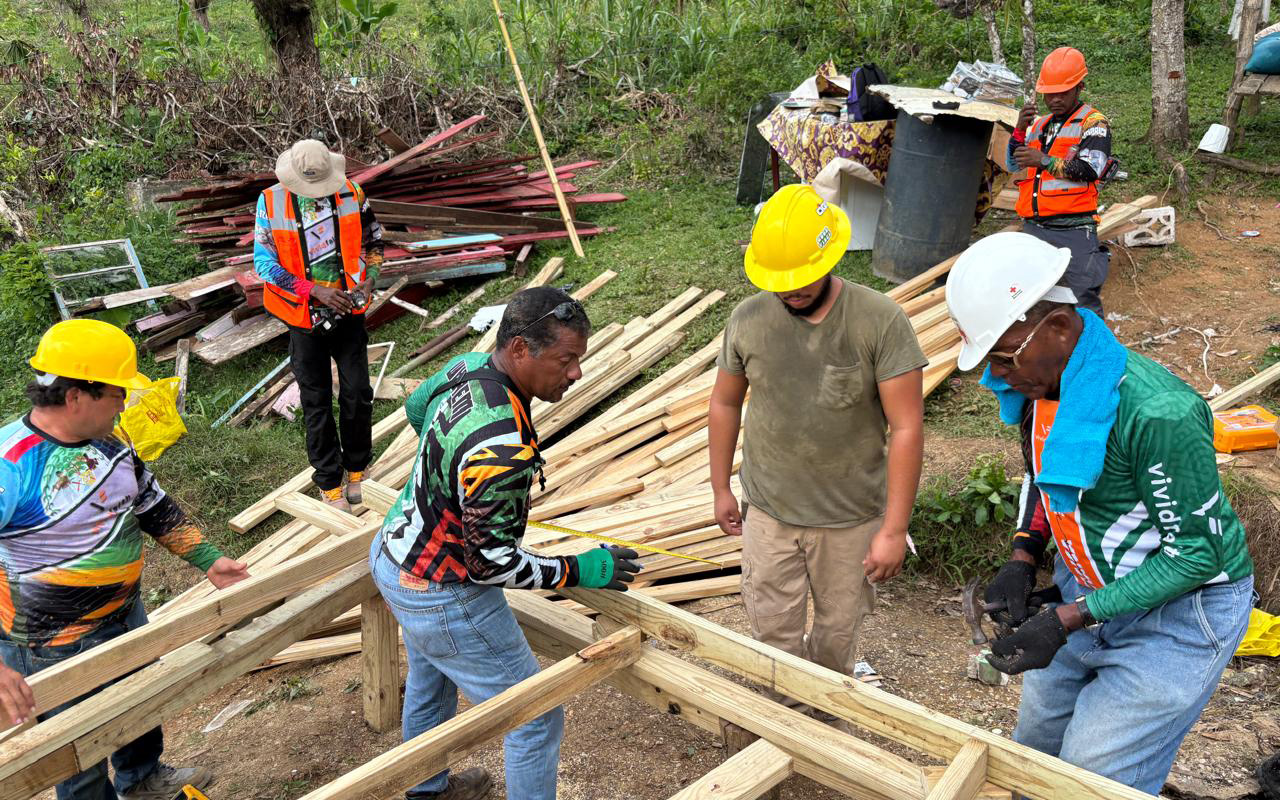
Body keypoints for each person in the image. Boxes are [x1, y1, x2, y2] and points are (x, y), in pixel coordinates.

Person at [946, 232, 1254, 794]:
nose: (997, 376)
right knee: (1034, 751)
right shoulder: (1043, 388)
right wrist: (1023, 555)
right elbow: (1045, 477)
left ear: (1060, 327)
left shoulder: (1159, 413)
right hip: (1088, 590)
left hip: (1179, 613)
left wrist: (1068, 618)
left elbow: (1195, 555)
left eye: (1004, 357)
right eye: (988, 361)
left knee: (1093, 778)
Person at [370, 287, 641, 800]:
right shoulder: (500, 448)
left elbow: (415, 406)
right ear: (519, 349)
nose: (576, 373)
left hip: (393, 555)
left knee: (431, 679)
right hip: (442, 592)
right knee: (534, 716)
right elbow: (490, 565)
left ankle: (427, 791)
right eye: (566, 359)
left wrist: (448, 475)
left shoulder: (467, 366)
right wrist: (578, 569)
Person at [0, 319, 250, 800]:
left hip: (124, 614)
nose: (123, 403)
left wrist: (208, 559)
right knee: (78, 752)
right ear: (76, 395)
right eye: (117, 393)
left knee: (138, 706)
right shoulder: (10, 465)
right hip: (51, 643)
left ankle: (143, 779)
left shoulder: (111, 440)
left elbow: (150, 503)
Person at [708, 184, 927, 707]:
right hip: (769, 510)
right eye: (779, 281)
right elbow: (724, 404)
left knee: (836, 635)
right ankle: (785, 721)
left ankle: (825, 718)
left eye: (802, 278)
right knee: (772, 634)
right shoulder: (748, 320)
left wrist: (893, 530)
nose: (791, 291)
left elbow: (906, 428)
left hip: (849, 518)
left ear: (829, 258)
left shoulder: (879, 321)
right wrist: (720, 487)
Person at [255, 138, 385, 510]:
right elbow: (264, 264)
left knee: (357, 391)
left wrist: (370, 278)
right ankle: (329, 482)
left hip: (349, 311)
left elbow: (375, 242)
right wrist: (313, 290)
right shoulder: (271, 201)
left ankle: (357, 468)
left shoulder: (352, 193)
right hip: (302, 316)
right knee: (316, 401)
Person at [1009, 46, 1114, 316]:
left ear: (1079, 87)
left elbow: (1091, 169)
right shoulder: (1039, 125)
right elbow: (1013, 163)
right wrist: (1019, 130)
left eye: (1063, 92)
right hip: (1034, 229)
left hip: (1073, 231)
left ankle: (1092, 343)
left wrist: (1043, 160)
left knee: (1082, 302)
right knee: (1037, 302)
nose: (1055, 99)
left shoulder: (1094, 123)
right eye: (1049, 93)